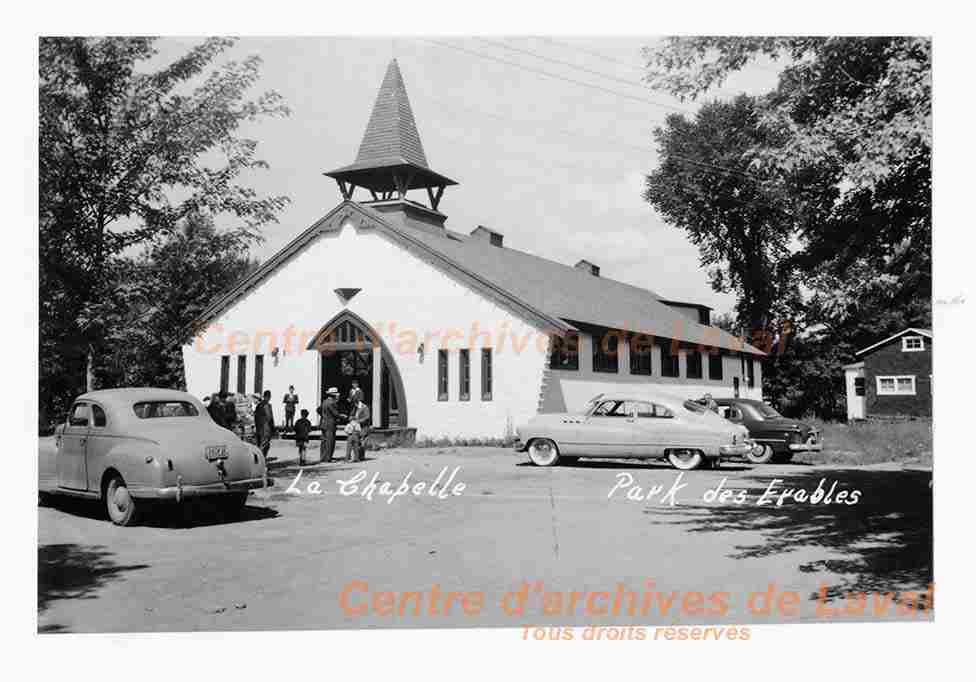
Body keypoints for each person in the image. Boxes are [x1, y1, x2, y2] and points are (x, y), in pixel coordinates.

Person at [319, 387, 341, 463]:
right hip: (330, 424)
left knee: (324, 441)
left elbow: (318, 410)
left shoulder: (324, 402)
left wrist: (323, 415)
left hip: (323, 423)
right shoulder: (332, 403)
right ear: (333, 395)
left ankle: (322, 457)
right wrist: (342, 416)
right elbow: (336, 414)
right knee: (330, 441)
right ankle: (328, 458)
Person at [254, 390, 276, 460]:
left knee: (259, 444)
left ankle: (260, 460)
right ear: (269, 397)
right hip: (266, 428)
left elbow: (255, 416)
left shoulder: (259, 405)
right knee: (265, 445)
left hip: (258, 428)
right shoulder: (267, 405)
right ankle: (261, 461)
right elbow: (269, 417)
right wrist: (273, 428)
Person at [348, 396, 371, 462]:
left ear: (356, 402)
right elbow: (352, 414)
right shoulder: (355, 407)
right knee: (356, 441)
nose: (353, 405)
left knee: (362, 442)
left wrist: (359, 421)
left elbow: (367, 417)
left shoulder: (364, 407)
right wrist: (351, 418)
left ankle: (360, 457)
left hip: (364, 427)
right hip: (356, 427)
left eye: (353, 403)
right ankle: (356, 457)